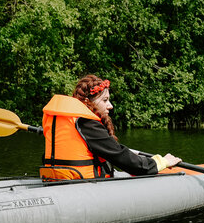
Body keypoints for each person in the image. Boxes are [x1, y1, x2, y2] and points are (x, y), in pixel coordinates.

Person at [40, 74, 181, 181]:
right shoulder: (86, 122)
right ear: (88, 102)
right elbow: (122, 158)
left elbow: (114, 152)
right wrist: (160, 162)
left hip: (57, 180)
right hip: (81, 184)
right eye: (105, 100)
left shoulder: (65, 119)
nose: (110, 105)